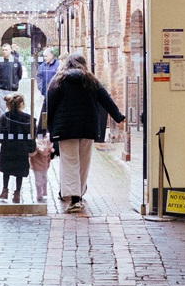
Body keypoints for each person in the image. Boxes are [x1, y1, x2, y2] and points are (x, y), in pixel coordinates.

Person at [45, 54, 125, 212]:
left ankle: (73, 197)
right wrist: (118, 116)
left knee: (69, 162)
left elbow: (48, 105)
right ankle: (77, 195)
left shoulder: (58, 80)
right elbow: (106, 99)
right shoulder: (91, 80)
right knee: (83, 162)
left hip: (65, 129)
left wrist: (44, 128)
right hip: (88, 127)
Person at [0, 93, 36, 202]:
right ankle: (17, 193)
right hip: (21, 149)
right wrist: (31, 148)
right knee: (19, 172)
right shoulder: (28, 119)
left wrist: (4, 142)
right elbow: (31, 135)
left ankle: (5, 190)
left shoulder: (5, 117)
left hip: (7, 148)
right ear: (21, 104)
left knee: (6, 170)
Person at [0, 43, 23, 115]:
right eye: (3, 50)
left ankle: (13, 123)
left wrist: (15, 83)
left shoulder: (16, 61)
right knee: (2, 108)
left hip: (12, 89)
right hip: (1, 89)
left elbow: (19, 74)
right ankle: (3, 124)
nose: (4, 51)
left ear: (10, 50)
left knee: (13, 107)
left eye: (6, 50)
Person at [35, 46, 59, 131]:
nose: (44, 58)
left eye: (46, 56)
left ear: (51, 56)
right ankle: (44, 130)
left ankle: (52, 129)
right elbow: (39, 76)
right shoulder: (42, 66)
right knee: (44, 112)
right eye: (44, 56)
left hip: (55, 94)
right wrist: (41, 87)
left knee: (53, 112)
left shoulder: (58, 65)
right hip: (46, 93)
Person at [29, 134, 54, 204]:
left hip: (36, 165)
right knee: (44, 177)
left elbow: (31, 153)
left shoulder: (35, 143)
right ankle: (44, 192)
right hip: (45, 164)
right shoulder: (47, 142)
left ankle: (39, 194)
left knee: (38, 179)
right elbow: (51, 150)